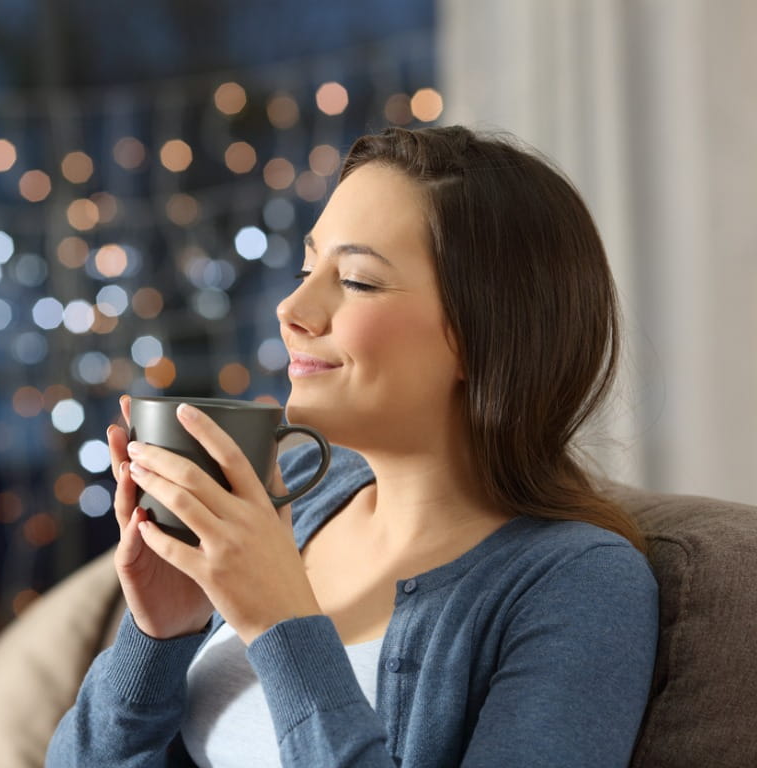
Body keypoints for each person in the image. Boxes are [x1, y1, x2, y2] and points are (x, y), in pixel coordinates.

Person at [45, 125, 659, 767]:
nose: (291, 307)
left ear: (487, 334)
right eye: (309, 268)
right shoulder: (305, 484)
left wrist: (282, 623)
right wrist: (161, 635)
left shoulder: (580, 584)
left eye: (359, 281)